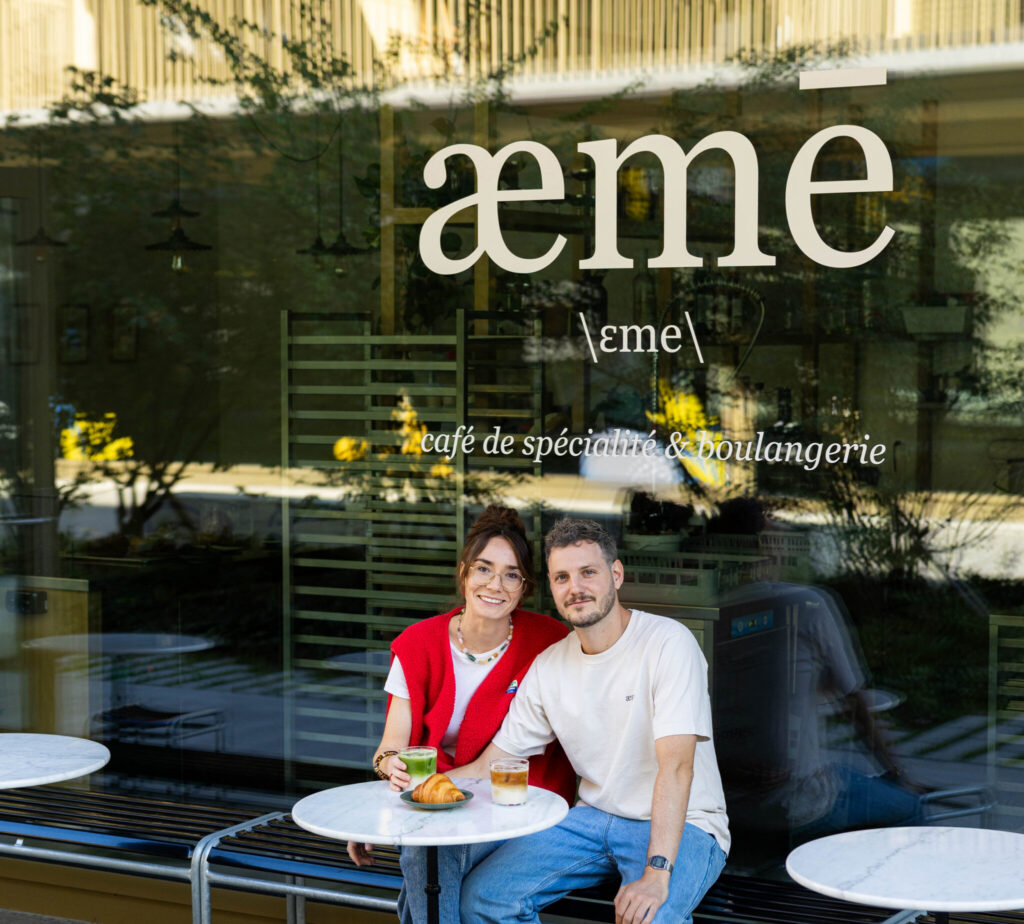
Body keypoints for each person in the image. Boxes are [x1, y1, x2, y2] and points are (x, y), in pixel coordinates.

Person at [456, 518, 729, 924]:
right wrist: (399, 810)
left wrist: (656, 873)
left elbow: (677, 766)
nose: (575, 588)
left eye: (588, 572)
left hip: (684, 823)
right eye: (562, 577)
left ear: (615, 575)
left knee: (650, 918)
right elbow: (490, 765)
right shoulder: (549, 666)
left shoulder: (668, 643)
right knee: (484, 898)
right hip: (590, 819)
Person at [346, 505, 576, 924]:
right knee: (428, 856)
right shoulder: (418, 644)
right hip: (439, 807)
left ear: (524, 588)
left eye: (511, 575)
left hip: (519, 806)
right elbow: (388, 751)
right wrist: (388, 773)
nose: (495, 585)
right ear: (464, 573)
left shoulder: (550, 640)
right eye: (484, 569)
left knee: (425, 859)